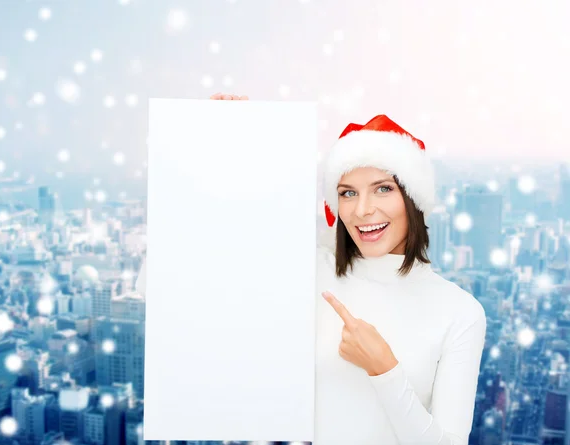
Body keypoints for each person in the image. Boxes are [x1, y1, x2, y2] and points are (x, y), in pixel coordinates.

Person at [139, 92, 487, 445]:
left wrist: (384, 369)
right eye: (348, 193)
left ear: (413, 198)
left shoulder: (459, 313)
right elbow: (165, 284)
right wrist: (215, 142)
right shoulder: (310, 274)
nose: (363, 209)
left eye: (382, 189)